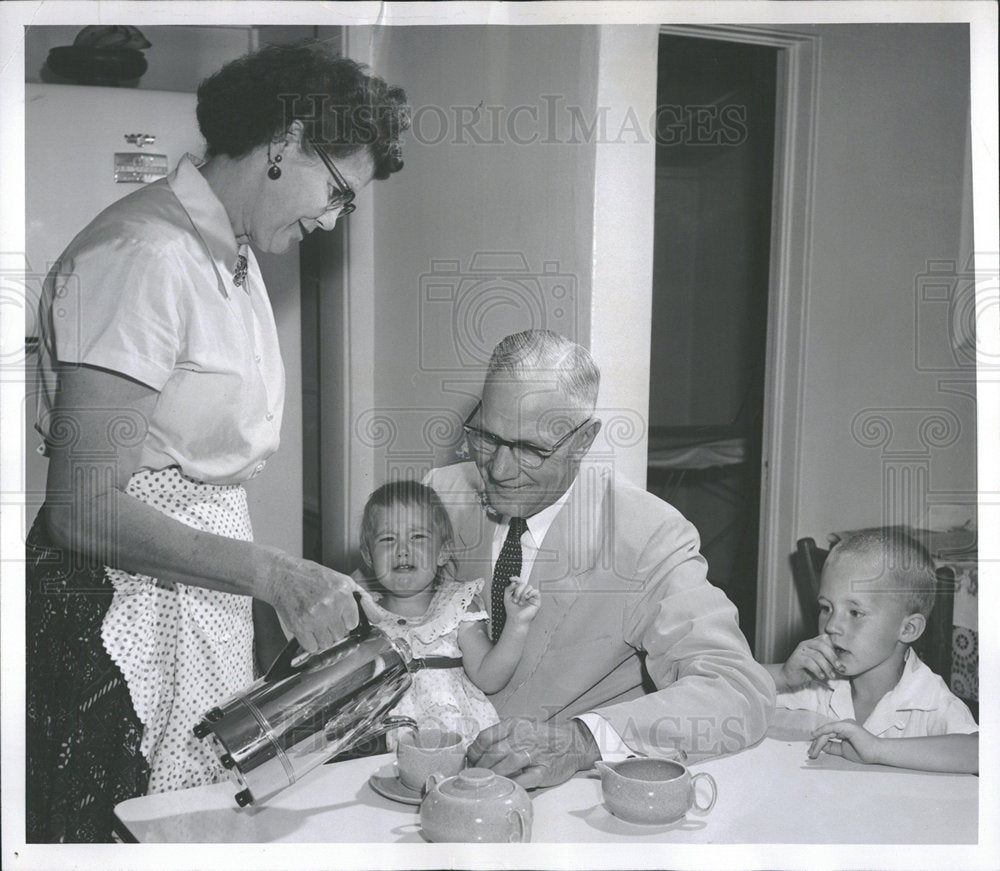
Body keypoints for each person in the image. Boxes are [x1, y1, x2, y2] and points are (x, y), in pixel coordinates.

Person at [26, 41, 409, 842]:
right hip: (116, 608)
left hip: (187, 590)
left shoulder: (226, 254)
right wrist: (274, 574)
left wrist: (279, 590)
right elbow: (83, 508)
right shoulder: (144, 255)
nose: (335, 218)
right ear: (286, 142)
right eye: (339, 190)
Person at [424, 330, 775, 789]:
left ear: (584, 440)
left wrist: (580, 741)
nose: (500, 470)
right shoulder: (438, 495)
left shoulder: (647, 536)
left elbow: (737, 690)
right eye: (487, 437)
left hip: (562, 807)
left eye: (531, 449)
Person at [764, 528, 978, 773]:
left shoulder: (927, 697)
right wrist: (783, 674)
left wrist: (877, 749)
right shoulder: (819, 681)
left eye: (855, 613)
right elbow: (726, 685)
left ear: (908, 628)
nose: (831, 625)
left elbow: (981, 753)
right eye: (826, 608)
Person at [355, 481, 540, 748]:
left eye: (417, 537)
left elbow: (489, 677)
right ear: (369, 556)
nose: (402, 549)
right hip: (380, 748)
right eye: (387, 539)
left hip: (456, 744)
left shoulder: (457, 607)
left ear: (443, 552)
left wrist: (517, 623)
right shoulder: (363, 616)